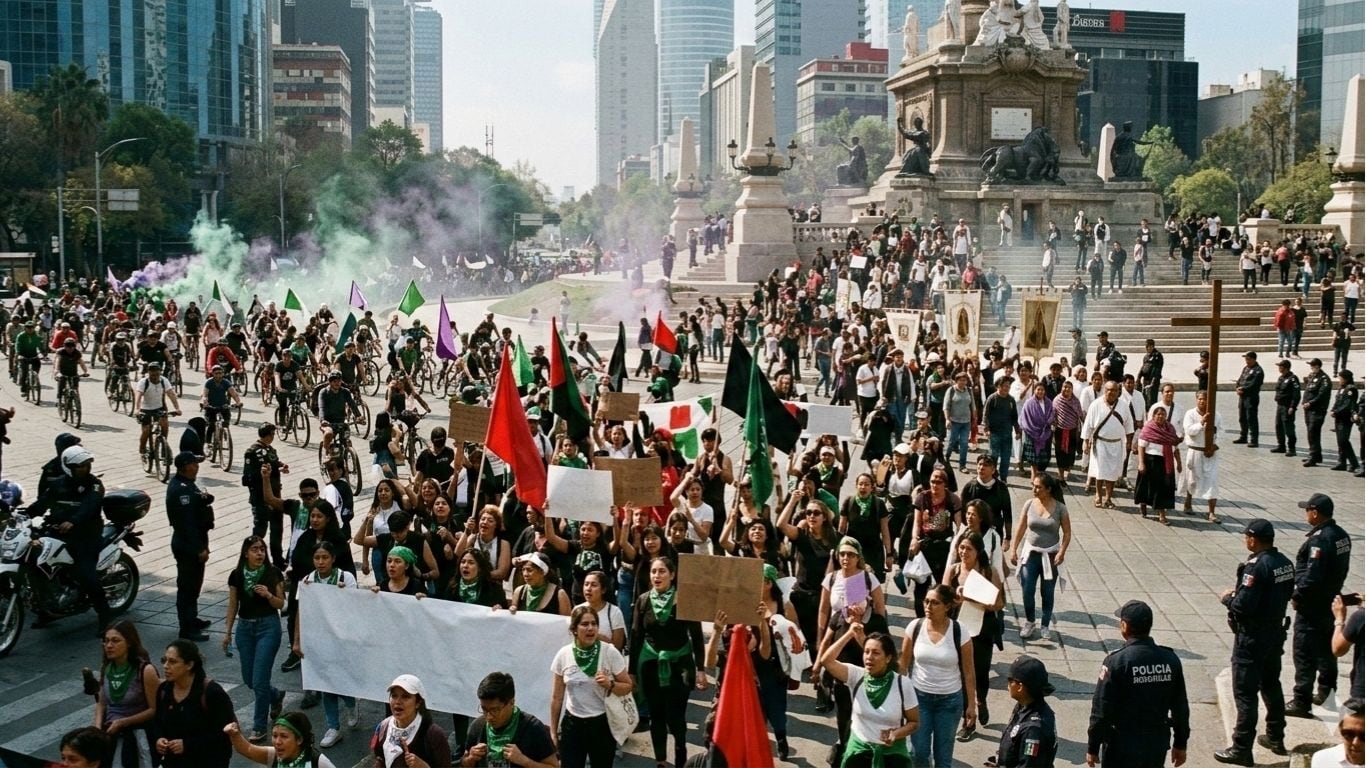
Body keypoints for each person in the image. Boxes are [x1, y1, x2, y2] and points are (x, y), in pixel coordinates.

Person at [1215, 519, 1296, 765]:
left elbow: (1243, 605)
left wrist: (1228, 598)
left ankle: (1241, 747)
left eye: (1246, 536)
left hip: (1252, 639)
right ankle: (1275, 735)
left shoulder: (1256, 567)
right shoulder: (1285, 563)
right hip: (1274, 634)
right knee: (1271, 683)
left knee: (1245, 693)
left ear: (1253, 538)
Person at [1086, 600, 1190, 768]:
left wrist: (1092, 746)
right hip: (1155, 744)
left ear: (1124, 626)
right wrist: (1180, 743)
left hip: (1121, 746)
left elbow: (1101, 709)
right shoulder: (1170, 660)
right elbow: (1180, 707)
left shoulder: (1116, 662)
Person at [630, 557, 706, 768]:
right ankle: (661, 760)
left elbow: (697, 636)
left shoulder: (684, 600)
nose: (657, 576)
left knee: (676, 717)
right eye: (654, 571)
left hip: (680, 666)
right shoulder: (643, 601)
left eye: (662, 571)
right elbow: (635, 636)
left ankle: (681, 758)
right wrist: (632, 672)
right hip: (651, 667)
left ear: (672, 575)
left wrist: (700, 669)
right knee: (656, 715)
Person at [27, 445, 110, 635]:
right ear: (67, 466)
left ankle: (105, 615)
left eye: (86, 464)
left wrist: (73, 520)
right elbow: (40, 505)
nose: (84, 468)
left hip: (86, 535)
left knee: (86, 575)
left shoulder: (95, 484)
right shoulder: (58, 485)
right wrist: (21, 514)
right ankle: (47, 607)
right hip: (57, 532)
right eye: (79, 465)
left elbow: (90, 505)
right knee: (36, 563)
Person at [819, 622, 919, 768]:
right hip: (859, 752)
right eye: (866, 652)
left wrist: (896, 734)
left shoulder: (902, 684)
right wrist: (849, 634)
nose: (869, 657)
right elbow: (827, 661)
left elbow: (914, 723)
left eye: (876, 653)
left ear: (888, 658)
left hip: (892, 756)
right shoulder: (856, 675)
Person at [1288, 493, 1353, 717]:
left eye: (1307, 510)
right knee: (1327, 651)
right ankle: (1326, 693)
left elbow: (1312, 576)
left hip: (1313, 606)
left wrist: (1297, 595)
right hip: (1331, 601)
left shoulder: (1319, 540)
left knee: (1304, 652)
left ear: (1315, 513)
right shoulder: (1341, 535)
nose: (1306, 513)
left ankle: (1301, 701)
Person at [549, 605, 633, 768]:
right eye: (584, 624)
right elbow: (556, 698)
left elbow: (628, 686)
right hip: (573, 725)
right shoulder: (563, 654)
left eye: (594, 624)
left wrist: (611, 684)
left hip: (602, 724)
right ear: (574, 629)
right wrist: (553, 731)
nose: (590, 628)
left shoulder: (609, 652)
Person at [223, 535, 287, 742]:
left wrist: (269, 595)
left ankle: (259, 726)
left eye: (262, 549)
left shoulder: (273, 573)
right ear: (245, 553)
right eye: (254, 549)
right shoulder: (236, 575)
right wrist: (227, 632)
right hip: (245, 628)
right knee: (249, 679)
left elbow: (281, 604)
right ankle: (276, 695)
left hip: (268, 627)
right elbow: (233, 604)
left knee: (260, 680)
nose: (259, 553)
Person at [154, 639, 235, 767]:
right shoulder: (164, 690)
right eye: (164, 660)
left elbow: (225, 734)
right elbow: (157, 721)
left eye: (172, 661)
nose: (165, 666)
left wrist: (187, 745)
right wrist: (159, 739)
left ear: (189, 665)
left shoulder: (212, 693)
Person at [1009, 474, 1071, 641]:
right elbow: (1021, 528)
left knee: (1047, 591)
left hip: (1050, 556)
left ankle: (1045, 624)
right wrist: (1013, 549)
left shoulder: (1060, 508)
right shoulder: (1029, 504)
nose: (1034, 490)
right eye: (1033, 486)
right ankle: (1029, 621)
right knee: (1027, 589)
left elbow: (1067, 533)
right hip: (1031, 555)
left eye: (1038, 487)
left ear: (1049, 489)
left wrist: (1061, 552)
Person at [94, 621, 161, 767]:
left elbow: (154, 710)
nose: (109, 646)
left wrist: (123, 722)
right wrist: (97, 728)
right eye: (106, 641)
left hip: (138, 736)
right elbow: (101, 703)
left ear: (129, 643)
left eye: (115, 641)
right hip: (111, 734)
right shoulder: (106, 668)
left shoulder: (145, 670)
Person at [460, 672, 556, 768]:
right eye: (484, 709)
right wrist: (470, 758)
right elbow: (464, 763)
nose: (489, 716)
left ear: (511, 702)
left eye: (495, 710)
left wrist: (524, 761)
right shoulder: (478, 726)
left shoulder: (532, 728)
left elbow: (554, 766)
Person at [167, 451, 214, 640]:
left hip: (195, 541)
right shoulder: (180, 489)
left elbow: (202, 498)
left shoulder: (188, 484)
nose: (197, 466)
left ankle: (192, 618)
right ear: (185, 466)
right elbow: (186, 525)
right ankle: (186, 628)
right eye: (194, 463)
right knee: (187, 588)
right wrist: (199, 548)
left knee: (194, 586)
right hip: (187, 545)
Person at [374, 675, 452, 768]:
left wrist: (423, 766)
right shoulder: (383, 727)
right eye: (394, 696)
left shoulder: (434, 735)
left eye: (405, 697)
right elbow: (379, 757)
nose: (398, 701)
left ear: (418, 703)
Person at [994, 655, 1058, 767]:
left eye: (1010, 680)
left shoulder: (1033, 729)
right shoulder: (1024, 706)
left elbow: (1028, 764)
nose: (1007, 684)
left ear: (1020, 687)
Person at [1082, 381, 1133, 509]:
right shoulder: (1096, 404)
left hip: (1116, 444)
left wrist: (1130, 442)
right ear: (1105, 390)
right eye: (1108, 390)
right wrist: (1085, 441)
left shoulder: (1124, 405)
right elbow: (1088, 424)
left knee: (1112, 473)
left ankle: (1108, 498)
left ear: (1118, 392)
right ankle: (1098, 496)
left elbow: (1129, 425)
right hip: (1100, 444)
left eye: (1114, 390)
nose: (1111, 392)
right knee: (1100, 472)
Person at [224, 711, 337, 767]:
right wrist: (235, 735)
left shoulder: (318, 762)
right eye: (274, 735)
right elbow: (247, 749)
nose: (277, 742)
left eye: (284, 736)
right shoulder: (275, 756)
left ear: (299, 739)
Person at [1133, 405, 1182, 524]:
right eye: (1158, 414)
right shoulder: (1148, 428)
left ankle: (1162, 514)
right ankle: (1143, 504)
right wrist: (1141, 463)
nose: (1160, 416)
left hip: (1166, 462)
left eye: (1163, 414)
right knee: (1146, 486)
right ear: (1153, 416)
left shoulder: (1170, 429)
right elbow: (1141, 446)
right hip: (1151, 461)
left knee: (1163, 488)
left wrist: (1179, 462)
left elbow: (1175, 447)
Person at [1180, 390, 1224, 523]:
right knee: (1191, 479)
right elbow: (1189, 431)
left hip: (1210, 453)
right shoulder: (1190, 414)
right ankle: (1188, 503)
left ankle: (1211, 512)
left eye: (1204, 399)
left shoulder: (1216, 415)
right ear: (1196, 399)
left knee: (1212, 481)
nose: (1202, 401)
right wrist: (1201, 423)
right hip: (1195, 451)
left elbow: (1222, 431)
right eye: (1199, 399)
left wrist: (1214, 446)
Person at [133, 362, 181, 459]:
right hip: (145, 409)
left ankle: (163, 446)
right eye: (152, 374)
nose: (155, 377)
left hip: (159, 407)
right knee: (146, 430)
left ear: (160, 372)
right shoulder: (143, 382)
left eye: (157, 374)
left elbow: (171, 394)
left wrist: (177, 408)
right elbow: (138, 396)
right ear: (149, 373)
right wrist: (137, 409)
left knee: (165, 426)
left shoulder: (164, 381)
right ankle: (142, 448)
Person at [1310, 698, 1364, 767]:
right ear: (1340, 729)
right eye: (1349, 734)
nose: (1356, 742)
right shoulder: (1322, 759)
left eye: (1364, 736)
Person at [1304, 357, 1333, 466]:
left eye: (1312, 365)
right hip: (1309, 409)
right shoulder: (1313, 376)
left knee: (1313, 432)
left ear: (1317, 366)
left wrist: (1310, 403)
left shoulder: (1324, 379)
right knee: (1311, 432)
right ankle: (1316, 455)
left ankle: (1313, 457)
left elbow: (1322, 395)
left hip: (1317, 410)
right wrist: (1304, 402)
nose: (1311, 368)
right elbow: (1308, 391)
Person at [1233, 351, 1265, 446]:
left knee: (1251, 418)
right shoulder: (1246, 368)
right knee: (1242, 417)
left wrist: (1243, 388)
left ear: (1254, 359)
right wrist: (1237, 387)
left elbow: (1254, 384)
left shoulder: (1258, 370)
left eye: (1248, 359)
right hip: (1243, 396)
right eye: (1246, 359)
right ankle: (1243, 436)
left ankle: (1254, 440)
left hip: (1251, 397)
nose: (1246, 361)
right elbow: (1240, 379)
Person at [1332, 370, 1361, 472]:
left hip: (1345, 418)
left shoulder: (1351, 389)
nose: (1339, 380)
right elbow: (1338, 401)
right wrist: (1333, 409)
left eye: (1340, 378)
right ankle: (1342, 462)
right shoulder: (1342, 388)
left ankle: (1354, 463)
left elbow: (1347, 405)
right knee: (1340, 441)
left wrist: (1336, 412)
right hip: (1338, 417)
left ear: (1346, 379)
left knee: (1344, 441)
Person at [1273, 359, 1302, 456]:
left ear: (1285, 368)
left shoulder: (1293, 379)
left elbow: (1296, 394)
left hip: (1287, 406)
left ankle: (1291, 448)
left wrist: (1292, 407)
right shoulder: (1281, 378)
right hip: (1280, 406)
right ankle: (1281, 445)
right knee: (1279, 425)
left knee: (1288, 427)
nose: (1279, 368)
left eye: (1280, 367)